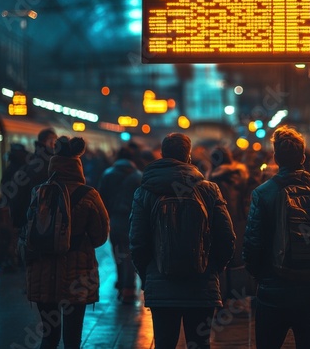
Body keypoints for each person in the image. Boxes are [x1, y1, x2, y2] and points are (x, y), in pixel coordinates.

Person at [242, 125, 310, 349]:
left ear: (276, 158)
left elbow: (253, 243)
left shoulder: (263, 193)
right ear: (303, 156)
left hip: (273, 286)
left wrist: (260, 274)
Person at [129, 133, 236, 349]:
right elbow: (227, 237)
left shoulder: (145, 192)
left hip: (161, 285)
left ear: (163, 153)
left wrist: (149, 273)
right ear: (188, 156)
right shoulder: (208, 189)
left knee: (165, 344)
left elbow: (137, 242)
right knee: (199, 343)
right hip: (201, 284)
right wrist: (214, 267)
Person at [26, 136, 109, 349]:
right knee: (72, 339)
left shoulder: (39, 192)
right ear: (77, 165)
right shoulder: (89, 195)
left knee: (49, 335)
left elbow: (29, 230)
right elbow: (100, 237)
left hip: (42, 271)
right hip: (77, 275)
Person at [98, 146, 142, 303]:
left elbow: (101, 198)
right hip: (132, 220)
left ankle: (122, 282)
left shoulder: (108, 174)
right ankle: (128, 287)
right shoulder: (138, 176)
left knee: (118, 252)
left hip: (115, 219)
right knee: (130, 253)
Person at [209, 145, 252, 301]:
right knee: (238, 261)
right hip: (241, 223)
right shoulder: (242, 176)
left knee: (221, 261)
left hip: (221, 223)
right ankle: (239, 296)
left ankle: (223, 297)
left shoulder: (214, 180)